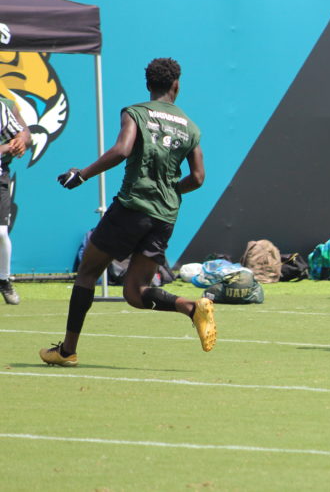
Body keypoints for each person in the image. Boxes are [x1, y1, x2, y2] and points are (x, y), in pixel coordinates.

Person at [39, 58, 216, 367]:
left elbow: (122, 150)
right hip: (164, 216)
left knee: (88, 272)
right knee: (136, 292)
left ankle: (67, 351)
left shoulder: (136, 112)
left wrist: (82, 174)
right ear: (176, 85)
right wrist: (171, 191)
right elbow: (198, 178)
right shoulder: (190, 126)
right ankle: (191, 308)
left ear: (149, 85)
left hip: (132, 207)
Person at [0, 97, 31, 305]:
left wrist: (20, 141)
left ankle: (4, 280)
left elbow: (23, 132)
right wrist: (6, 148)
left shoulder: (3, 107)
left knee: (1, 232)